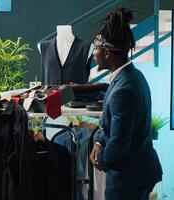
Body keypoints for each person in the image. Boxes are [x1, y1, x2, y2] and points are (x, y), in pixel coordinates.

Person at [89, 7, 162, 200]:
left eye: (96, 48)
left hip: (129, 179)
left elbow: (119, 145)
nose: (93, 53)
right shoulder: (130, 77)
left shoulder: (124, 89)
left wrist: (99, 158)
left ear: (106, 53)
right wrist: (98, 142)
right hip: (138, 171)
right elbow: (111, 127)